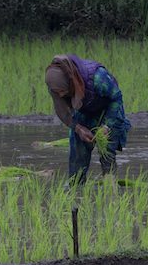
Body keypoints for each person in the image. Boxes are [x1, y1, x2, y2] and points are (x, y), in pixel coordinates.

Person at [45, 54, 131, 183]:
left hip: (108, 112)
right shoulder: (55, 86)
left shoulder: (97, 77)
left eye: (63, 91)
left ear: (69, 82)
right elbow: (63, 112)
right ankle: (76, 192)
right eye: (58, 93)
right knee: (77, 158)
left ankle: (111, 194)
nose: (61, 95)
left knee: (107, 156)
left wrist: (106, 125)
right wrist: (78, 129)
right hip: (84, 113)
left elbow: (116, 99)